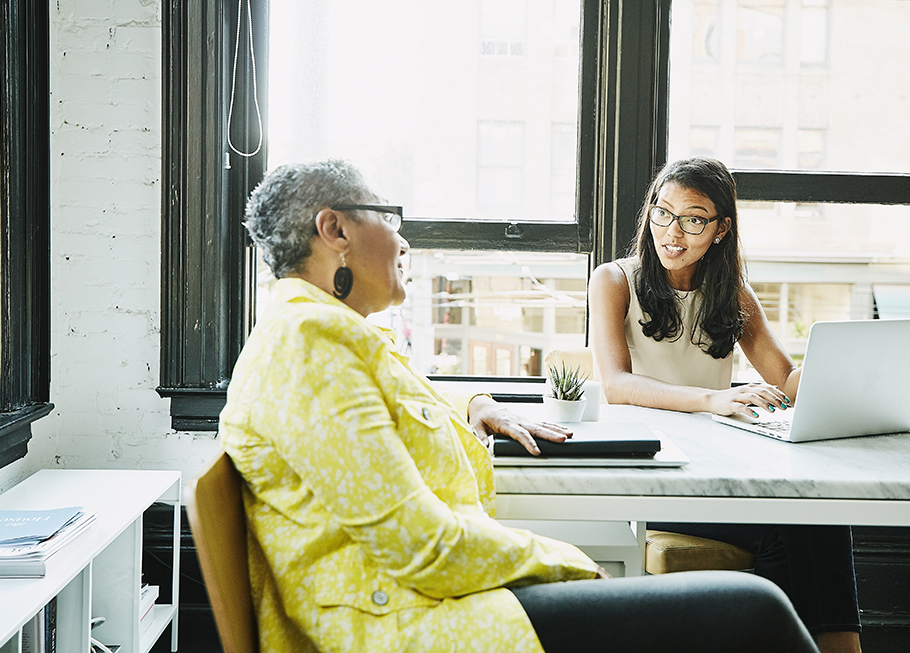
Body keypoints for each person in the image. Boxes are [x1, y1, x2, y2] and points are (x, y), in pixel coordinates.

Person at [218, 160, 820, 653]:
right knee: (755, 608)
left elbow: (404, 399)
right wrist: (567, 563)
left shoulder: (325, 332)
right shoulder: (311, 345)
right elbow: (418, 547)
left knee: (757, 597)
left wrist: (477, 401)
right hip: (406, 621)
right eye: (389, 218)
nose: (403, 239)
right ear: (335, 231)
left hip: (423, 599)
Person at [588, 157, 863, 653]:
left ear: (720, 229)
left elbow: (786, 379)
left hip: (714, 472)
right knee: (798, 527)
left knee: (814, 514)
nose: (673, 232)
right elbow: (617, 385)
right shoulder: (613, 281)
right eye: (662, 213)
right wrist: (713, 400)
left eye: (693, 219)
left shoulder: (732, 292)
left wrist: (855, 373)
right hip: (651, 473)